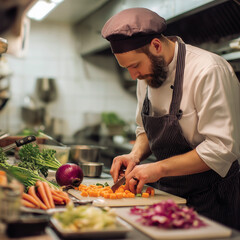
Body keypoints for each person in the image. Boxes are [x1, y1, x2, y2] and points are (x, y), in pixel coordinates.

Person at [101, 8, 240, 230]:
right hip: (169, 196)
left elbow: (221, 148)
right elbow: (145, 129)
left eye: (135, 65)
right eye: (127, 68)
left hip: (214, 198)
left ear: (156, 46)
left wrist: (158, 168)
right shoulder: (145, 75)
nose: (133, 76)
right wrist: (135, 155)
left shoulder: (208, 70)